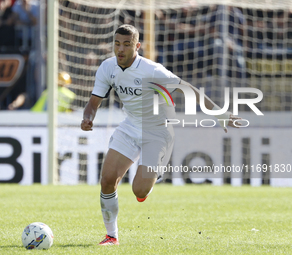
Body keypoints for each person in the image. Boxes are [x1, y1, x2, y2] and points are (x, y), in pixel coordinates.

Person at [81, 24, 241, 246]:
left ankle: (152, 175)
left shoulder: (152, 71)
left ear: (137, 46)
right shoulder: (107, 68)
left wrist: (219, 113)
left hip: (157, 130)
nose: (120, 49)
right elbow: (93, 103)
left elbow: (188, 89)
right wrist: (88, 118)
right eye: (117, 44)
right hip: (130, 126)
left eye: (127, 45)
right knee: (107, 180)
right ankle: (111, 236)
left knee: (139, 190)